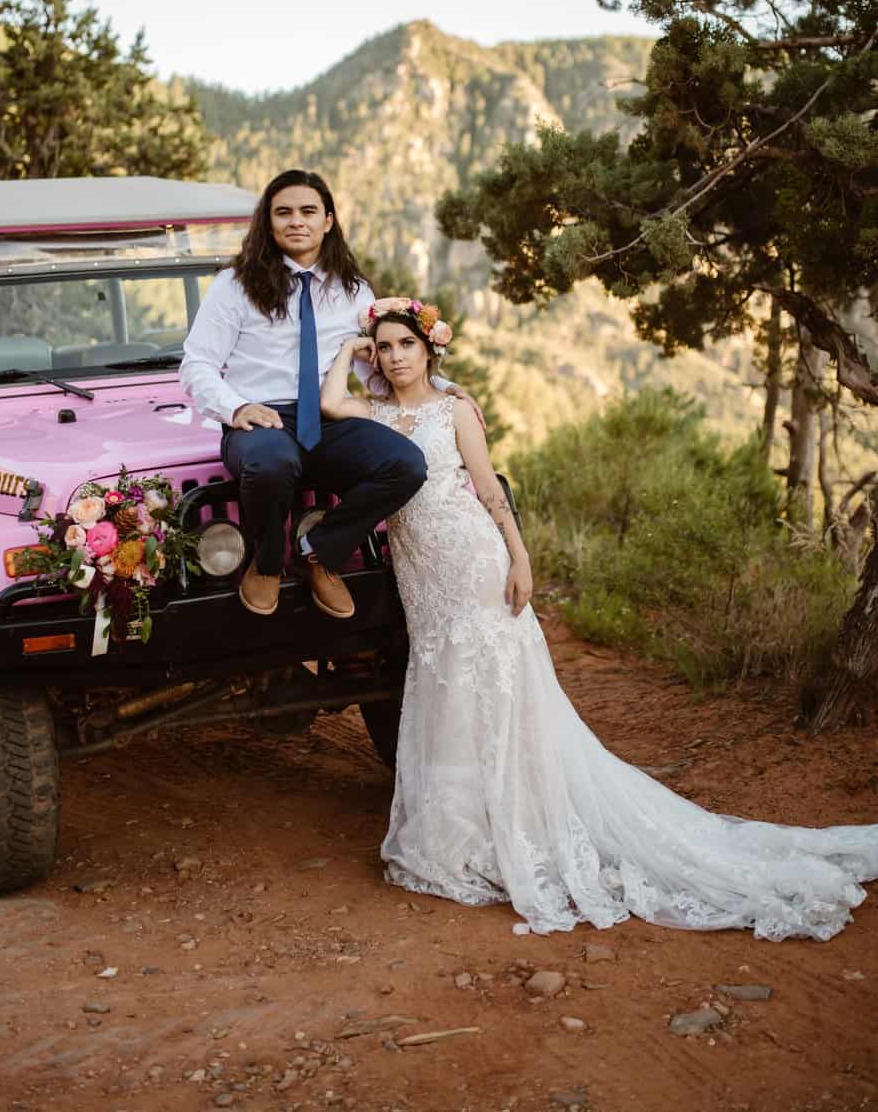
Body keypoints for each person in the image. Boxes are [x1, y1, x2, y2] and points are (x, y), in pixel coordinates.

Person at [320, 297, 878, 940]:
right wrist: (348, 350)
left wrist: (520, 557)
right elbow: (333, 402)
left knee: (493, 688)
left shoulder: (455, 410)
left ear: (429, 351)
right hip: (423, 577)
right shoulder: (378, 414)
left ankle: (515, 824)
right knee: (446, 690)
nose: (393, 358)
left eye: (404, 346)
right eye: (384, 348)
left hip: (472, 559)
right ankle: (455, 833)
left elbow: (490, 491)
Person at [179, 171, 472, 620]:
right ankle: (267, 562)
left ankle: (320, 552)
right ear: (268, 222)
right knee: (272, 462)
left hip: (330, 421)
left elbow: (379, 372)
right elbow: (197, 363)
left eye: (308, 211)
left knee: (407, 464)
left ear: (328, 221)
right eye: (284, 212)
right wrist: (236, 408)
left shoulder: (353, 291)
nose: (296, 221)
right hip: (263, 420)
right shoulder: (234, 286)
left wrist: (446, 391)